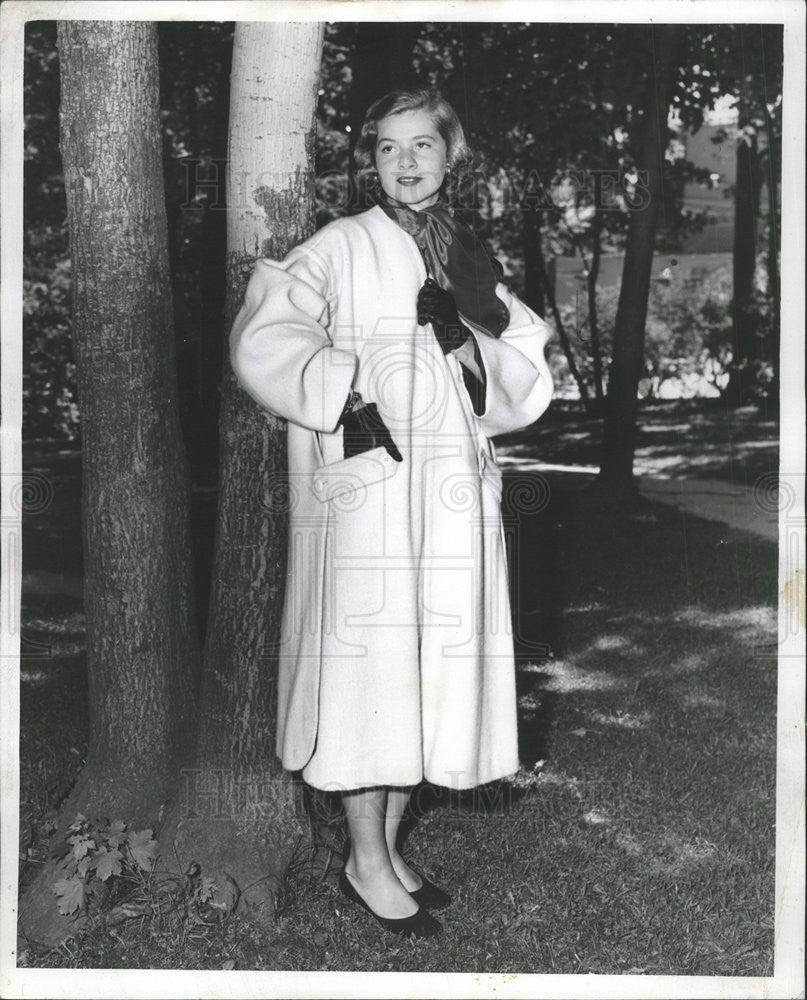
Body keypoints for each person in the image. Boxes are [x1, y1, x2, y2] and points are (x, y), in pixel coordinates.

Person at [229, 87, 553, 938]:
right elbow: (266, 332)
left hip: (446, 494)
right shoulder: (341, 243)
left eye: (422, 147)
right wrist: (342, 395)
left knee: (423, 665)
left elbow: (518, 370)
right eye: (386, 148)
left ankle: (390, 847)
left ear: (452, 156)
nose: (404, 163)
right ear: (370, 160)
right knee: (371, 667)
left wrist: (463, 340)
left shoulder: (467, 256)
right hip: (372, 489)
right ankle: (363, 859)